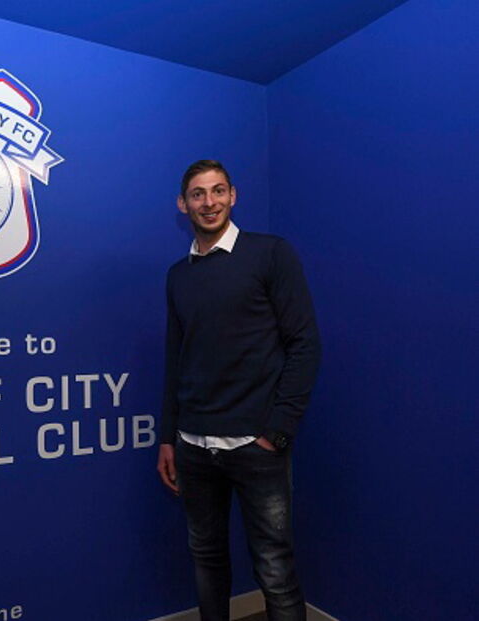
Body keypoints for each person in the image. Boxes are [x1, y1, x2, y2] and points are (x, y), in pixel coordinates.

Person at [157, 160, 321, 621]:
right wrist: (168, 437)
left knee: (275, 572)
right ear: (182, 204)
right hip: (193, 447)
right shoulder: (178, 275)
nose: (208, 202)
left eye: (217, 191)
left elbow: (305, 345)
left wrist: (277, 432)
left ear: (234, 195)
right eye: (197, 194)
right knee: (206, 564)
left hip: (257, 447)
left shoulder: (270, 254)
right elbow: (176, 359)